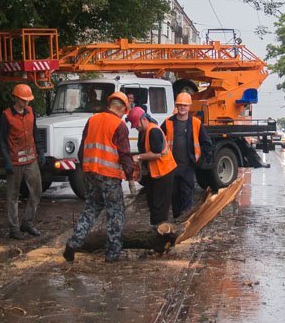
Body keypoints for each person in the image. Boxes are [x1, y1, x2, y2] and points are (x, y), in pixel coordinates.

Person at [64, 92, 139, 263]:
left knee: (91, 208)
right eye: (124, 112)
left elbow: (82, 150)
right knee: (115, 213)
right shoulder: (119, 126)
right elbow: (124, 154)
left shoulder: (92, 120)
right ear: (121, 109)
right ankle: (112, 253)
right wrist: (130, 175)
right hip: (109, 177)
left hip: (90, 173)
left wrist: (86, 168)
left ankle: (74, 243)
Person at [128, 106, 177, 253]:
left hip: (164, 172)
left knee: (159, 208)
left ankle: (161, 242)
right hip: (155, 174)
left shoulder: (153, 131)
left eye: (136, 123)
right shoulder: (144, 132)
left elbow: (156, 154)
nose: (135, 127)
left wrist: (138, 157)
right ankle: (157, 238)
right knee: (153, 205)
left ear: (144, 119)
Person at [0, 83, 43, 240]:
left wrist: (40, 151)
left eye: (28, 100)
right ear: (16, 98)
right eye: (23, 100)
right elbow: (2, 140)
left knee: (36, 191)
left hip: (31, 159)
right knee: (13, 195)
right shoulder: (7, 116)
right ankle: (14, 228)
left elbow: (34, 132)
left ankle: (27, 222)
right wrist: (7, 161)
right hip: (15, 161)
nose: (26, 103)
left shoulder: (31, 112)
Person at [162, 92, 213, 220]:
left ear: (189, 107)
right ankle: (176, 224)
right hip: (171, 167)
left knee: (186, 197)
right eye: (180, 105)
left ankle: (185, 225)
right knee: (174, 199)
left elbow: (207, 143)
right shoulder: (168, 122)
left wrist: (200, 162)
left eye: (185, 105)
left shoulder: (195, 123)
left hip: (188, 167)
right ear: (177, 106)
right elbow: (158, 139)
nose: (182, 108)